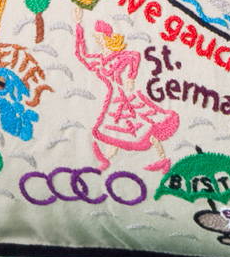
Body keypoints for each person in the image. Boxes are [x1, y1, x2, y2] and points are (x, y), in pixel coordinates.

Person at [74, 18, 180, 173]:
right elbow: (82, 55)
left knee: (145, 125)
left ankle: (163, 159)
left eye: (98, 38)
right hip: (114, 96)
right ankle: (107, 158)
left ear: (105, 38)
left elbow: (134, 56)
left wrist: (131, 77)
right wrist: (78, 26)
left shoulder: (118, 56)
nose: (97, 40)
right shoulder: (100, 59)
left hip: (125, 96)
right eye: (96, 38)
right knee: (116, 127)